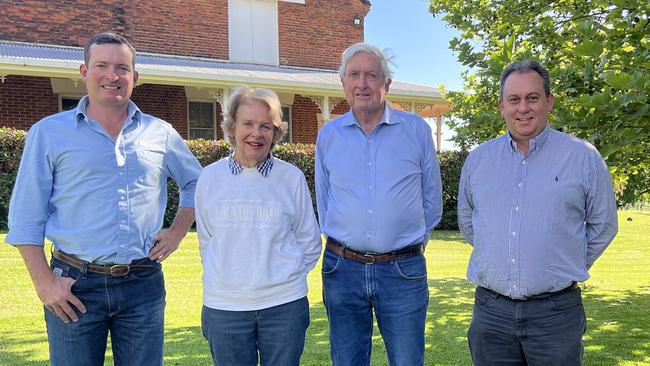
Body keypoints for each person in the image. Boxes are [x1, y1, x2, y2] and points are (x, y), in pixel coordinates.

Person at [5, 32, 202, 366]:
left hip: (143, 283)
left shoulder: (160, 133)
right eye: (102, 66)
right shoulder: (49, 134)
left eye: (122, 68)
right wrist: (44, 284)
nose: (113, 76)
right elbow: (26, 216)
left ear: (134, 77)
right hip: (74, 284)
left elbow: (198, 183)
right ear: (84, 72)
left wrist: (177, 230)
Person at [458, 60, 618, 365]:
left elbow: (604, 225)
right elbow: (470, 223)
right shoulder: (478, 161)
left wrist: (562, 261)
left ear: (549, 101)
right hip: (491, 313)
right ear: (501, 105)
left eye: (532, 98)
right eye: (514, 100)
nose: (523, 108)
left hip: (555, 315)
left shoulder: (582, 157)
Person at [315, 43, 443, 366]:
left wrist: (405, 244)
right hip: (342, 269)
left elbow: (432, 202)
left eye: (371, 75)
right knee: (346, 361)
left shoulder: (416, 131)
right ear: (343, 83)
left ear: (386, 84)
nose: (362, 84)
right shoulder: (329, 136)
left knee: (406, 360)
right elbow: (324, 200)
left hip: (403, 271)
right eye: (354, 75)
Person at [196, 86, 321, 366]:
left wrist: (281, 276)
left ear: (276, 132)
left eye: (266, 126)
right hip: (225, 307)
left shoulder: (292, 178)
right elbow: (207, 239)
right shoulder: (209, 178)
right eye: (248, 124)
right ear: (232, 127)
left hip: (284, 306)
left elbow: (310, 241)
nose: (257, 133)